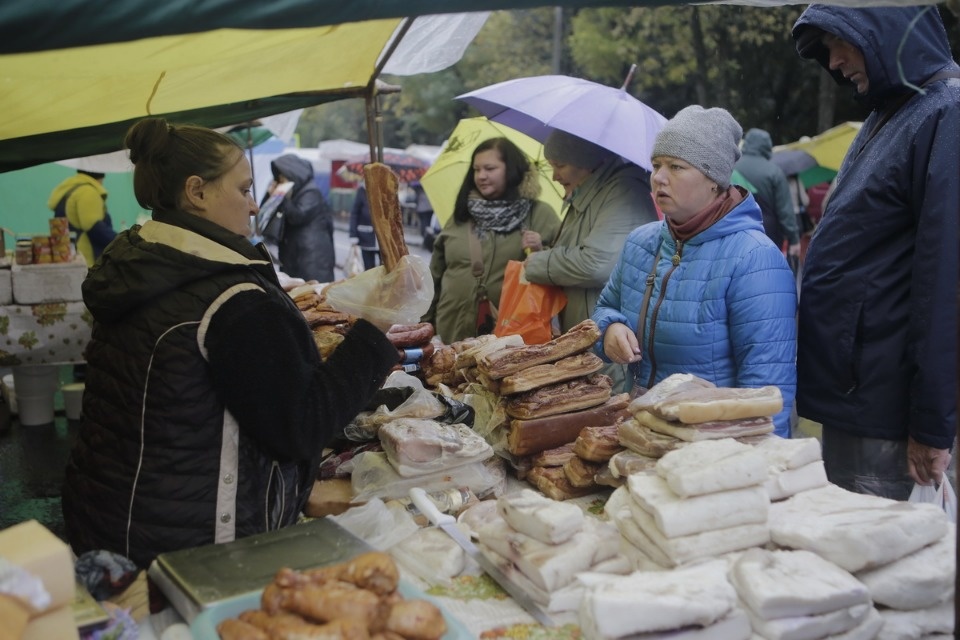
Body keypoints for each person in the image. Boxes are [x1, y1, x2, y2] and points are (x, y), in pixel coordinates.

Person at [60, 118, 398, 569]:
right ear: (197, 192)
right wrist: (376, 325)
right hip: (192, 543)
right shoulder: (232, 299)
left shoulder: (140, 262)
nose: (255, 207)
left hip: (115, 520)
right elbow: (301, 426)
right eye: (243, 191)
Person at [792, 5, 959, 497]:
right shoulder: (895, 112)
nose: (835, 61)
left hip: (885, 409)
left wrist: (931, 424)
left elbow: (944, 280)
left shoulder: (945, 114)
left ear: (881, 31)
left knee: (879, 563)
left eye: (840, 42)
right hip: (857, 391)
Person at [592, 106, 797, 437]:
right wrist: (610, 328)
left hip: (713, 447)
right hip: (643, 431)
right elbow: (603, 310)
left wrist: (757, 469)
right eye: (657, 164)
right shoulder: (641, 242)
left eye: (676, 167)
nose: (658, 177)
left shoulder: (754, 258)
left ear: (713, 182)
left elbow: (769, 388)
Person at [522, 129, 658, 392]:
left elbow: (597, 263)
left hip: (613, 346)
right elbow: (579, 249)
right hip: (594, 336)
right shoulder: (589, 194)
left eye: (560, 165)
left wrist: (539, 263)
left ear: (587, 161)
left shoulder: (623, 193)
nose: (554, 175)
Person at [422, 137, 560, 344]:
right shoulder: (461, 215)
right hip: (452, 330)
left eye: (489, 168)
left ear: (511, 169)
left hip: (513, 338)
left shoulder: (541, 215)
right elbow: (435, 274)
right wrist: (424, 324)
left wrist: (541, 250)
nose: (481, 176)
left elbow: (560, 270)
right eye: (476, 170)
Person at [264, 154, 335, 282]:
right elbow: (266, 214)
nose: (280, 182)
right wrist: (271, 196)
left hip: (311, 259)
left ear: (293, 174)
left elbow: (297, 216)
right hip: (296, 256)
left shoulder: (311, 192)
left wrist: (281, 196)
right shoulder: (295, 192)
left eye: (282, 178)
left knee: (311, 296)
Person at [733, 128, 800, 262]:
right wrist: (793, 239)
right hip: (767, 234)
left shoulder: (731, 166)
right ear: (767, 146)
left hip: (733, 231)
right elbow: (785, 211)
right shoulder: (775, 172)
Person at [47, 169, 117, 266]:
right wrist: (121, 241)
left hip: (68, 255)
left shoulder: (69, 188)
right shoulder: (88, 192)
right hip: (86, 260)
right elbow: (94, 227)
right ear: (101, 176)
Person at [348, 183, 379, 271]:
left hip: (383, 239)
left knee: (384, 270)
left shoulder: (386, 189)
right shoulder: (362, 191)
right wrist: (353, 234)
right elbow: (354, 214)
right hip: (366, 236)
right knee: (369, 269)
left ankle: (381, 285)